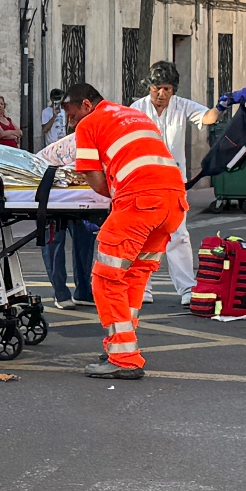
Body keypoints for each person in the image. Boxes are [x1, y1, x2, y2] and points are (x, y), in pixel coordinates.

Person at [69, 82, 189, 380]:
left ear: (85, 105)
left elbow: (97, 183)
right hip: (173, 203)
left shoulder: (90, 123)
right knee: (133, 275)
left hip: (138, 202)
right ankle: (122, 346)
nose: (73, 123)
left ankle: (123, 357)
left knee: (106, 278)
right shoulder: (135, 115)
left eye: (72, 116)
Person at [129, 61, 227, 307]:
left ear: (174, 90)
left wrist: (224, 105)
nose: (161, 94)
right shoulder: (136, 109)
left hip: (173, 183)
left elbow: (207, 117)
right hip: (144, 181)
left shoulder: (182, 106)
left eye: (167, 89)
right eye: (156, 88)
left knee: (178, 235)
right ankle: (142, 288)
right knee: (143, 236)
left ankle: (186, 288)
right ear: (149, 87)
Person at [35, 93, 95, 310]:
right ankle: (60, 292)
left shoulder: (91, 139)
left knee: (84, 240)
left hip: (78, 198)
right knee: (55, 242)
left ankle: (83, 291)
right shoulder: (71, 143)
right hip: (52, 196)